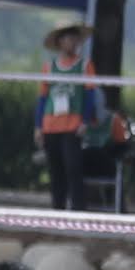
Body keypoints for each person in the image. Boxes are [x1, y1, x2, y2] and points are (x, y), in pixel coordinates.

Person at [36, 26, 105, 216]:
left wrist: (85, 121)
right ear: (60, 42)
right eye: (68, 39)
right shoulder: (49, 67)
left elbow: (90, 94)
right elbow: (43, 97)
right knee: (55, 170)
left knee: (73, 168)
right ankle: (57, 211)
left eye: (75, 39)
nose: (73, 43)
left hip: (72, 126)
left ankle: (77, 212)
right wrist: (38, 126)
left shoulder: (84, 65)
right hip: (51, 125)